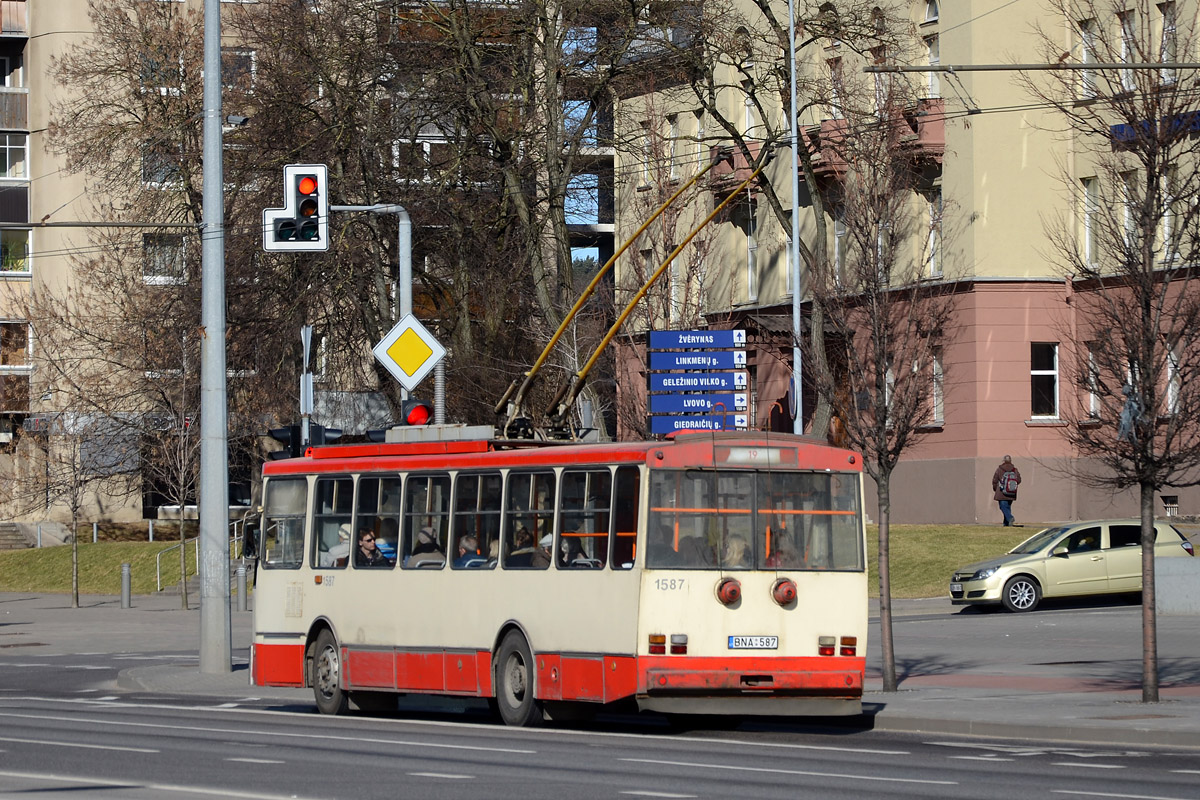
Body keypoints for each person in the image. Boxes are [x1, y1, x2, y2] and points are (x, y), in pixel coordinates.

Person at [991, 455, 1022, 527]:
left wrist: (995, 488)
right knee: (1007, 507)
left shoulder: (999, 469)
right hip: (1011, 492)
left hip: (1001, 492)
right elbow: (1019, 480)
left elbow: (995, 480)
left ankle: (1010, 518)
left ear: (1003, 461)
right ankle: (1007, 524)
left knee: (1003, 507)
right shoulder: (1014, 470)